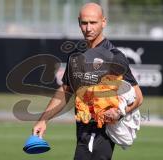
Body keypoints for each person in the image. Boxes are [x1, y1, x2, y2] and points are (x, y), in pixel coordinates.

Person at [33, 2, 143, 160]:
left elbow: (138, 96)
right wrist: (43, 120)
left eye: (93, 22)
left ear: (103, 22)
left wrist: (119, 113)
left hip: (100, 134)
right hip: (83, 133)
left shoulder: (114, 56)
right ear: (79, 22)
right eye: (84, 23)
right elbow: (66, 91)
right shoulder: (75, 56)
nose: (88, 28)